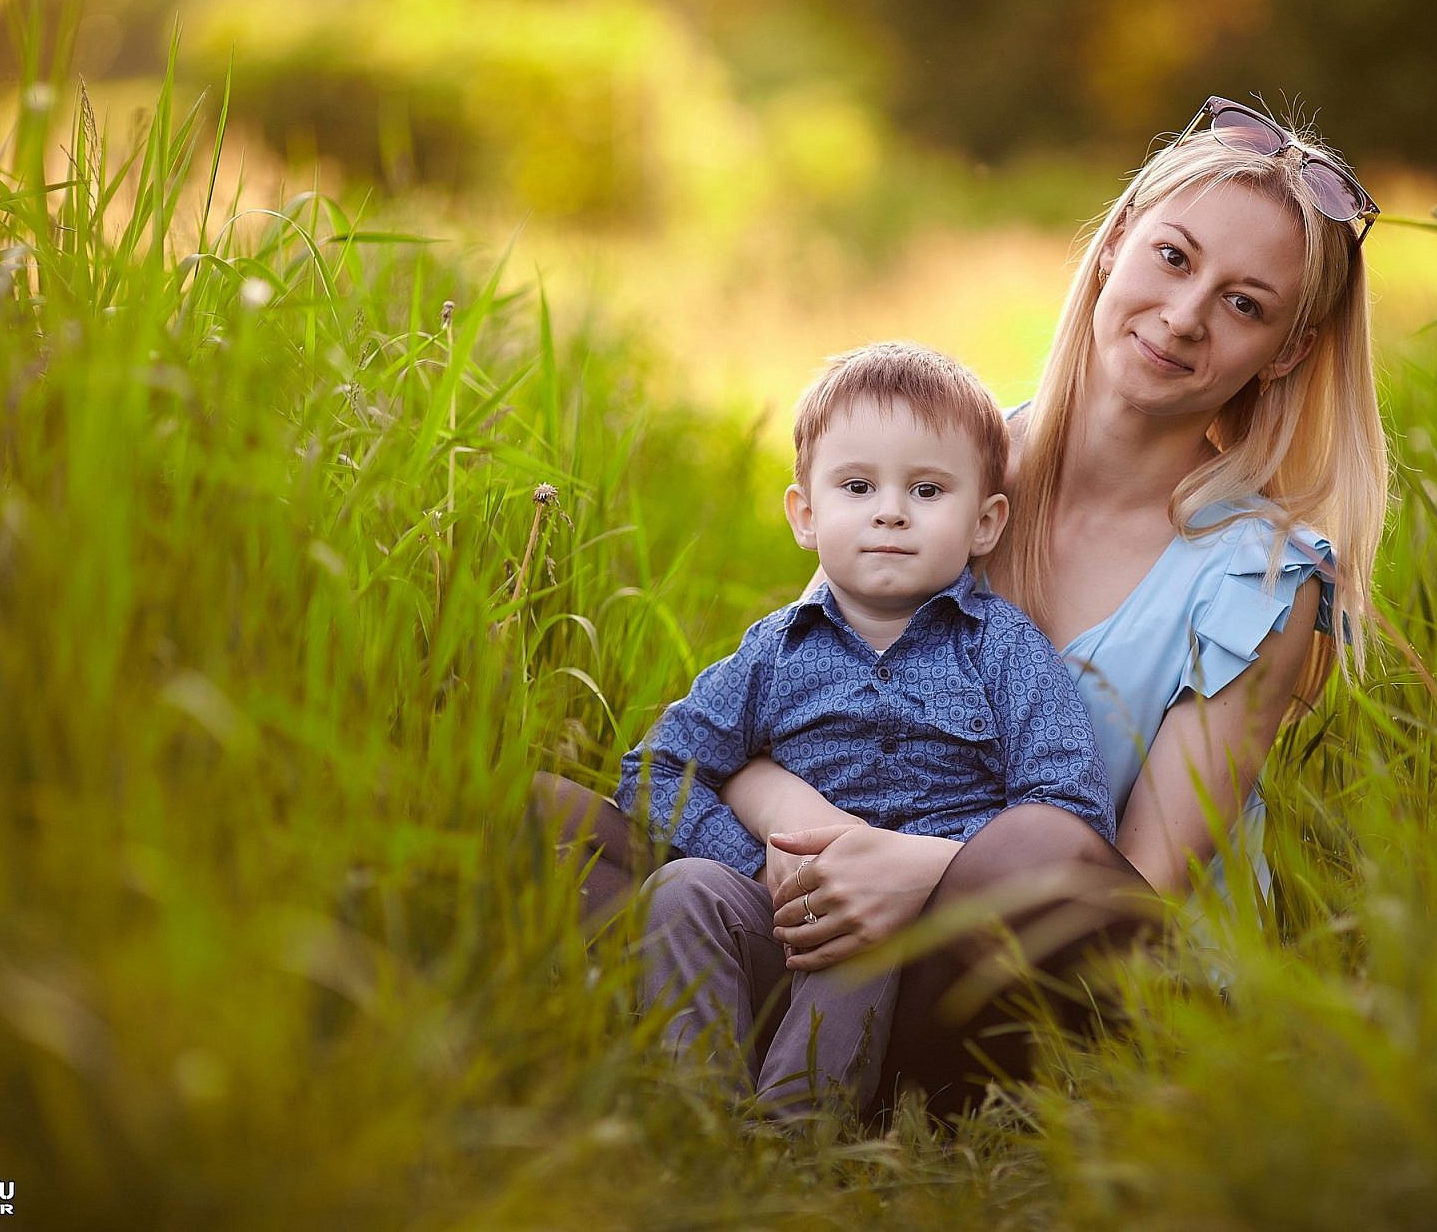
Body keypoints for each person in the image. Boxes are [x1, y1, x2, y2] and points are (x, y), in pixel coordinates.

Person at [538, 95, 1387, 1114]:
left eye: (1244, 304)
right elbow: (777, 699)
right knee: (548, 819)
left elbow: (1129, 891)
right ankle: (752, 1058)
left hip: (1049, 983)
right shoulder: (941, 462)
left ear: (1283, 353)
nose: (1184, 314)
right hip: (839, 923)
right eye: (1171, 257)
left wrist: (919, 873)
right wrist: (811, 841)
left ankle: (820, 1069)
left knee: (1033, 845)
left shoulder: (1259, 580)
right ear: (1115, 243)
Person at [615, 342, 1117, 1121]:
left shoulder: (1005, 651)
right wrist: (757, 869)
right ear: (806, 515)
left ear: (985, 523)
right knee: (682, 889)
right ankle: (696, 1120)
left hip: (917, 932)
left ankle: (793, 1140)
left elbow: (1068, 814)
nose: (890, 510)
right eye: (857, 486)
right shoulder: (774, 652)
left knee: (864, 939)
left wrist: (930, 874)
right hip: (780, 910)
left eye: (926, 489)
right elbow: (657, 768)